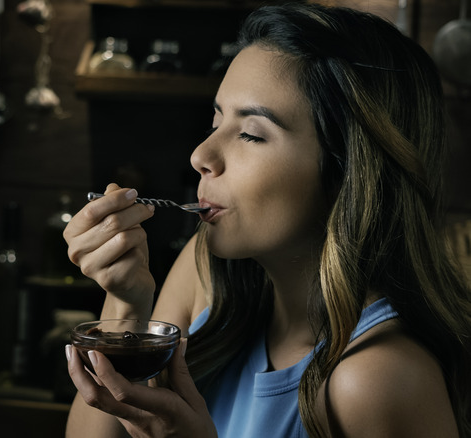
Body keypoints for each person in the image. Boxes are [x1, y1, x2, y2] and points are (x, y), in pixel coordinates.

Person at [62, 3, 471, 438]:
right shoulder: (206, 274)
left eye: (251, 134)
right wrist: (126, 304)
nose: (200, 155)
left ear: (347, 171)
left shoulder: (375, 380)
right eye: (215, 120)